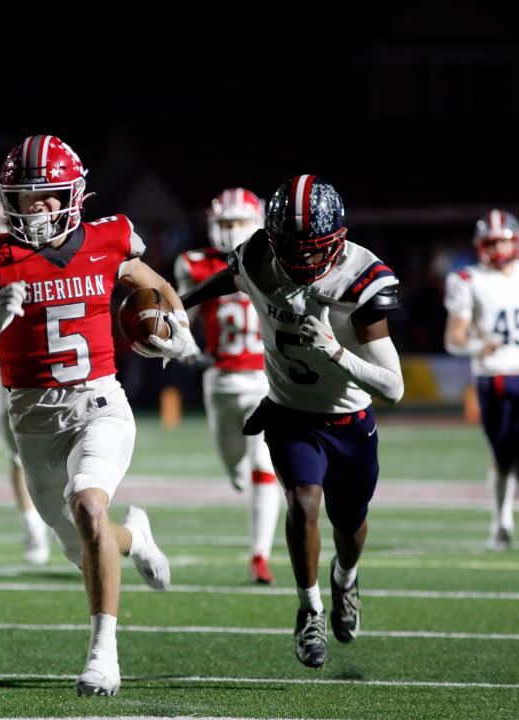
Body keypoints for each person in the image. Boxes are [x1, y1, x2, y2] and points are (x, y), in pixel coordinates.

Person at [0, 135, 193, 696]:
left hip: (99, 402)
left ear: (68, 198)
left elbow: (156, 289)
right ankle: (137, 538)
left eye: (40, 197)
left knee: (87, 503)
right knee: (83, 542)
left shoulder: (107, 239)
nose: (27, 209)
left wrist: (179, 335)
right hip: (32, 415)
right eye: (19, 197)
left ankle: (103, 656)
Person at [182, 175, 404, 669]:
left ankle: (345, 579)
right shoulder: (257, 254)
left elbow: (393, 387)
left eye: (313, 249)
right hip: (289, 413)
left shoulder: (361, 278)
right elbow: (233, 275)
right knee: (303, 504)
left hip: (349, 419)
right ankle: (309, 610)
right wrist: (184, 302)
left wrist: (337, 352)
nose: (303, 260)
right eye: (292, 248)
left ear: (338, 239)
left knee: (350, 525)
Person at [174, 188, 280, 584]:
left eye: (238, 222)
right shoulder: (197, 264)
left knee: (262, 464)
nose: (231, 230)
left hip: (267, 380)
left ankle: (259, 557)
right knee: (236, 469)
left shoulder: (275, 261)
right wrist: (185, 348)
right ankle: (245, 494)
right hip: (220, 379)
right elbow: (183, 313)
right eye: (225, 223)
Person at [444, 209, 519, 546]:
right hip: (495, 375)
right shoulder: (468, 280)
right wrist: (480, 346)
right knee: (503, 456)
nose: (497, 249)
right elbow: (453, 339)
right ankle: (501, 521)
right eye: (491, 242)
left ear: (517, 242)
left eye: (503, 241)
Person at [0, 202, 51, 564]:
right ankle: (33, 531)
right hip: (8, 371)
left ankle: (61, 526)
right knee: (17, 455)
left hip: (55, 370)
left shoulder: (59, 253)